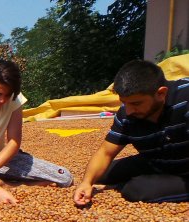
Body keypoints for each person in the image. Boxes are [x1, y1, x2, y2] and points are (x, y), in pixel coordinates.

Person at [0, 60, 72, 205]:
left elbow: (14, 142)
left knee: (64, 178)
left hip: (1, 160)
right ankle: (14, 184)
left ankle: (1, 182)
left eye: (7, 94)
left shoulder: (14, 100)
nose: (2, 100)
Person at [74, 60, 189, 206]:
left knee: (135, 189)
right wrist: (86, 183)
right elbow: (105, 153)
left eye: (136, 103)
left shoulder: (185, 99)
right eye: (124, 102)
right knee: (101, 174)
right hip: (155, 161)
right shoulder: (126, 114)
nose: (128, 111)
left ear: (161, 93)